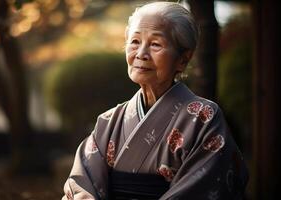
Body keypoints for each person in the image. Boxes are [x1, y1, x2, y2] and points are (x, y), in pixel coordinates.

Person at [62, 2, 248, 200]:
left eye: (155, 44)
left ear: (183, 59)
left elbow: (206, 186)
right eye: (134, 41)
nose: (141, 54)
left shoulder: (203, 117)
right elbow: (81, 184)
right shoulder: (108, 122)